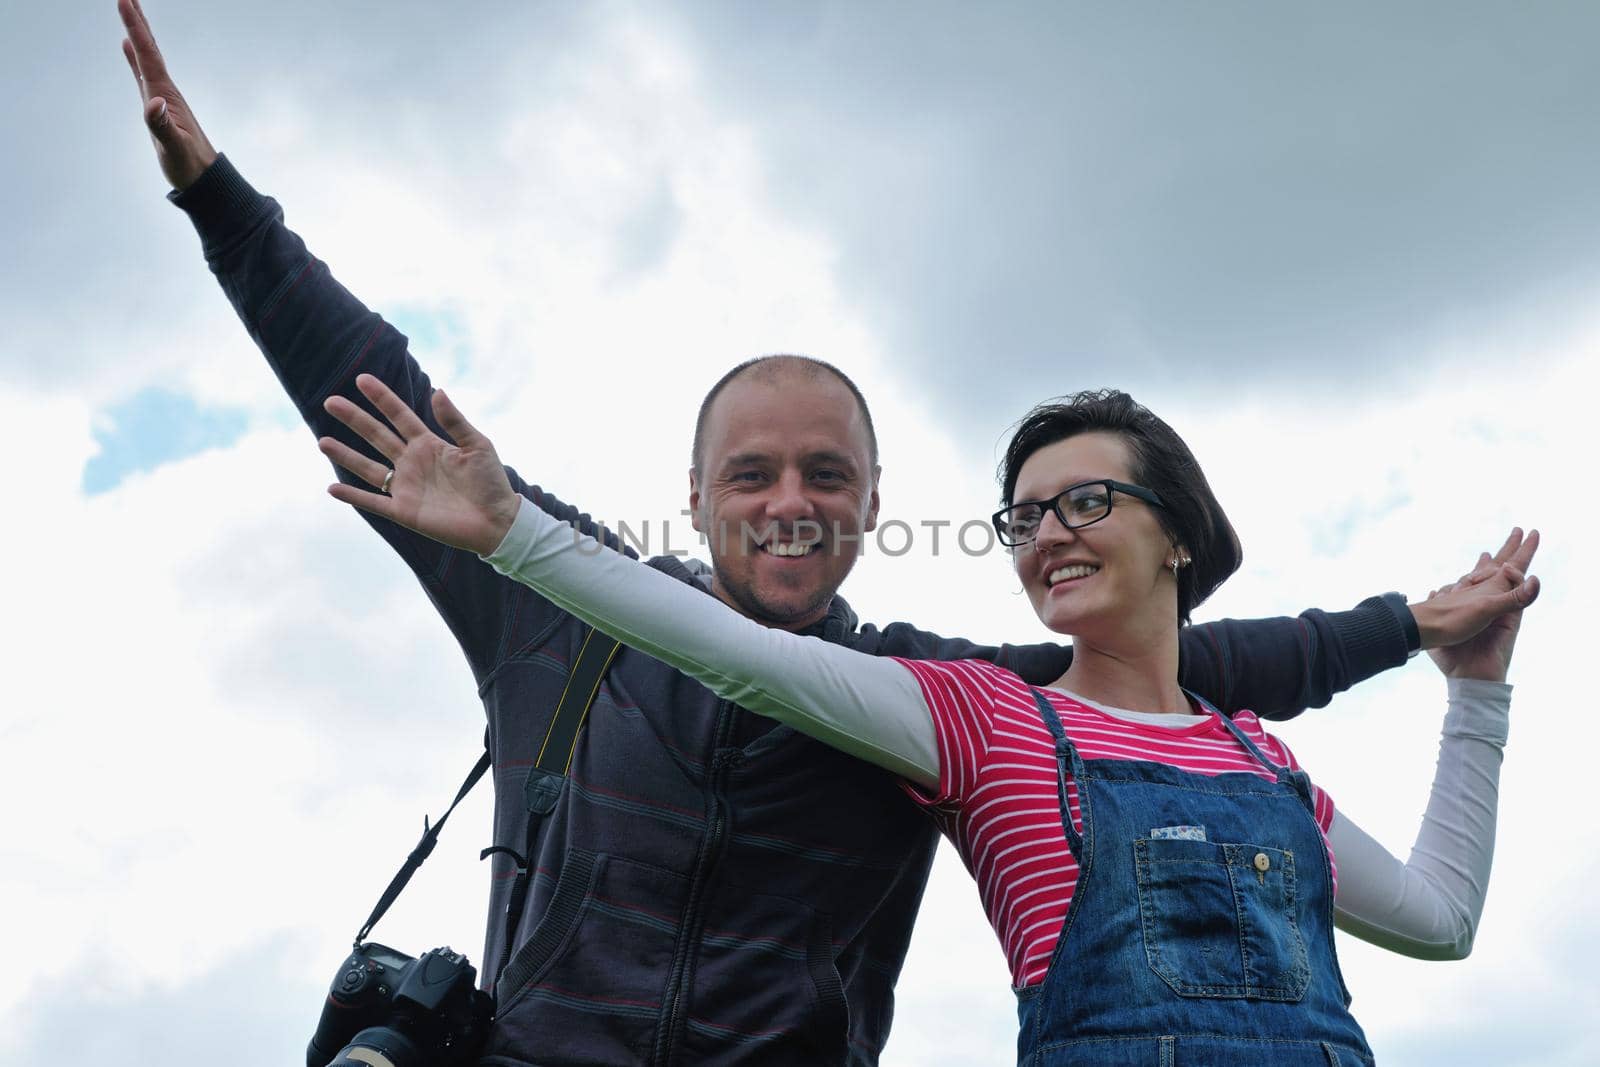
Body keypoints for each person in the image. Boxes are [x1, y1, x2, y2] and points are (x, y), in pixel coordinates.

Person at [117, 2, 1538, 1061]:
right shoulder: (549, 595)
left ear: (869, 499)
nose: (788, 500)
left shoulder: (939, 695)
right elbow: (372, 387)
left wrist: (1413, 633)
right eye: (750, 474)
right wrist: (221, 206)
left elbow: (1183, 673)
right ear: (692, 499)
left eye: (825, 473)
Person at [320, 377, 1536, 1066]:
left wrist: (1473, 688)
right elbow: (737, 654)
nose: (1047, 531)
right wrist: (513, 535)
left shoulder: (1260, 762)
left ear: (1177, 530)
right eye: (1023, 516)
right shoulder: (981, 718)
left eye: (1086, 500)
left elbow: (1437, 922)